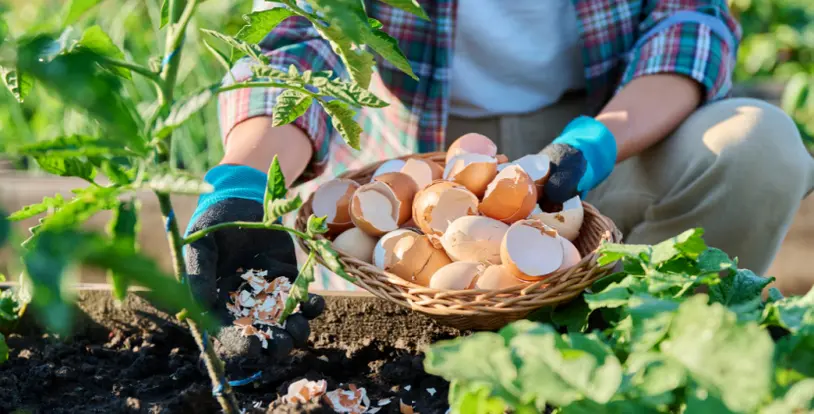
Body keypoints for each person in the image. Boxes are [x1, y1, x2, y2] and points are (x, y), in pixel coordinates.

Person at [185, 0, 814, 357]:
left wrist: (594, 143)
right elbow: (300, 36)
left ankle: (650, 359)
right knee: (404, 316)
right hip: (417, 166)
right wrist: (243, 180)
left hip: (606, 132)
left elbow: (688, 24)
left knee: (757, 147)